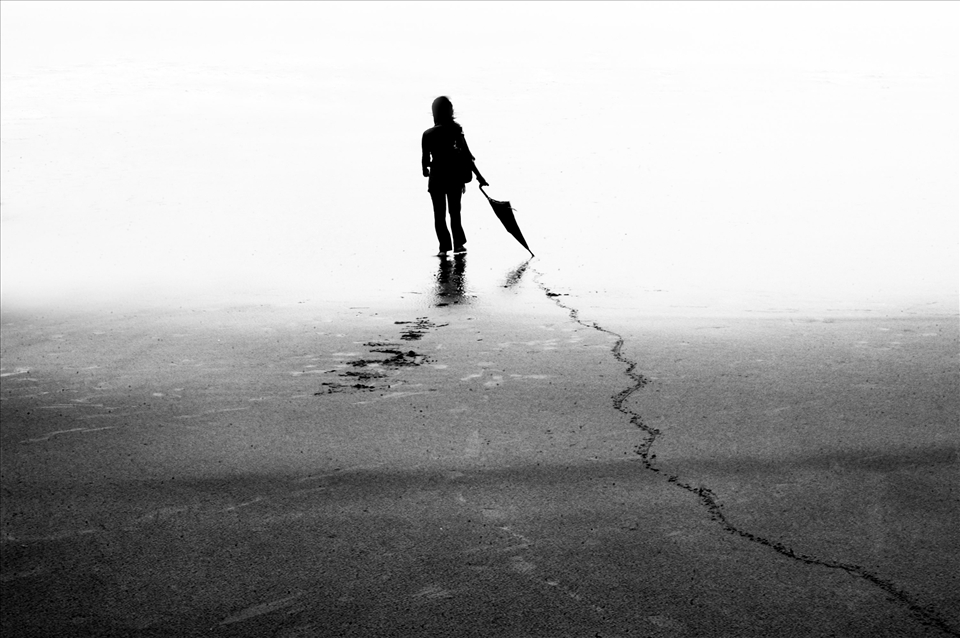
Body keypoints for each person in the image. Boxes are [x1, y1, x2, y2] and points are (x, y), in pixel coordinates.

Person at [421, 96, 488, 256]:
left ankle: (443, 248)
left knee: (439, 215)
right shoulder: (455, 131)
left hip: (436, 178)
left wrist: (427, 169)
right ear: (450, 112)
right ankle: (458, 245)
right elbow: (467, 155)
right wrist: (479, 177)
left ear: (434, 113)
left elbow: (425, 162)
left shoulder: (428, 134)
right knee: (455, 212)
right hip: (454, 178)